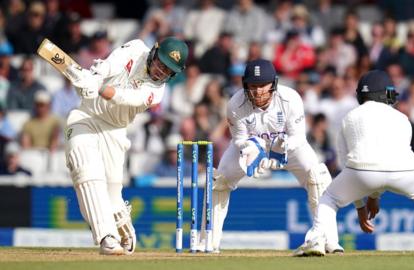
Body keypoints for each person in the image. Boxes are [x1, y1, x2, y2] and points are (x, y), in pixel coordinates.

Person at [296, 70, 414, 257]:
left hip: (360, 172)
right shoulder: (402, 118)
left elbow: (347, 163)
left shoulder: (350, 117)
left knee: (328, 198)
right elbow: (388, 161)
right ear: (386, 94)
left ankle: (316, 239)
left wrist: (360, 205)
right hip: (405, 171)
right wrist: (374, 195)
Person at [198, 59, 342, 254]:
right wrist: (250, 149)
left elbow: (299, 137)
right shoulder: (235, 103)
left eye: (262, 86)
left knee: (318, 176)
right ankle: (207, 242)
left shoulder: (290, 98)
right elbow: (239, 139)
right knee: (218, 180)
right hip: (252, 147)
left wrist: (282, 148)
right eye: (253, 86)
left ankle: (327, 240)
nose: (258, 91)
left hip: (287, 146)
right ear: (245, 84)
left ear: (273, 84)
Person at [63, 37, 188, 255]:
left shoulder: (157, 92)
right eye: (160, 63)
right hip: (85, 116)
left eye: (168, 71)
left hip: (115, 129)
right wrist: (93, 76)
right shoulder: (137, 47)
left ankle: (120, 220)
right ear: (154, 52)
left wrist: (99, 88)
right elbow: (111, 63)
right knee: (85, 170)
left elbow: (123, 97)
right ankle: (106, 237)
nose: (160, 72)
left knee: (112, 191)